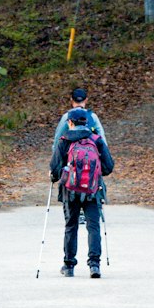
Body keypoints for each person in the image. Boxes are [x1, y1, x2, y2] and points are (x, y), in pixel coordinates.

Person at [50, 87, 112, 279]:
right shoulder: (96, 139)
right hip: (93, 189)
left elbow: (54, 169)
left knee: (71, 225)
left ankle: (69, 266)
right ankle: (94, 265)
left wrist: (57, 175)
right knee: (93, 226)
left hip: (70, 190)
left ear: (70, 122)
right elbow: (108, 167)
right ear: (87, 121)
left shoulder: (64, 140)